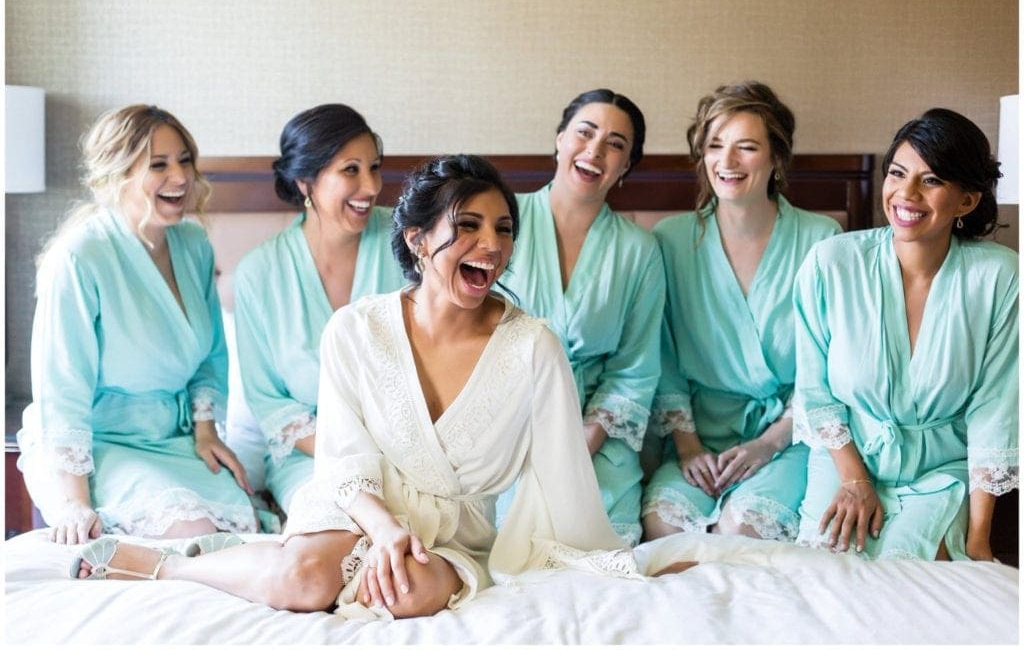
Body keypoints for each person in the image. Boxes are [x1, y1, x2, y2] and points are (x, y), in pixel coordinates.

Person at [68, 154, 647, 619]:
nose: (491, 245)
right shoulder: (356, 331)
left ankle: (277, 560)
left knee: (406, 595)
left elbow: (561, 476)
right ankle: (173, 565)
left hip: (452, 534)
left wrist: (601, 561)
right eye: (467, 226)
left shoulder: (533, 348)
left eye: (503, 229)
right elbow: (342, 464)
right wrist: (385, 528)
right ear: (419, 239)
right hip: (357, 504)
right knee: (304, 580)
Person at [17, 105, 257, 546]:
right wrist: (74, 500)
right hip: (104, 444)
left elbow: (210, 354)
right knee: (190, 531)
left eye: (185, 160)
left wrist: (206, 431)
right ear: (118, 173)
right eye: (159, 165)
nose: (181, 178)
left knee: (239, 528)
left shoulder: (194, 245)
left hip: (177, 439)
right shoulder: (79, 257)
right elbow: (62, 387)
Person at [793, 108, 1018, 560]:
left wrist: (978, 543)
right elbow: (815, 392)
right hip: (847, 460)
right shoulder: (830, 263)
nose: (906, 193)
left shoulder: (1001, 276)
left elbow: (997, 411)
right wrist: (855, 480)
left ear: (967, 201)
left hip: (942, 471)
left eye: (932, 180)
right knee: (823, 582)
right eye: (898, 173)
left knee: (908, 585)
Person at [641, 81, 841, 542]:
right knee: (663, 527)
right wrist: (688, 448)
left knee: (744, 527)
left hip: (787, 435)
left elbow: (827, 367)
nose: (727, 162)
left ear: (776, 159)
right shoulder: (671, 241)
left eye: (746, 147)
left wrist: (768, 443)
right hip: (696, 437)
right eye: (715, 146)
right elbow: (663, 357)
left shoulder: (821, 241)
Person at [496, 89, 665, 546]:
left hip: (595, 440)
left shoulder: (640, 251)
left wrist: (575, 446)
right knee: (511, 546)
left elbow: (636, 366)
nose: (595, 151)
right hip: (502, 430)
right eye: (585, 133)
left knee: (599, 551)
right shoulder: (498, 220)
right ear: (559, 140)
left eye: (615, 144)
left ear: (626, 165)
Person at [232, 104, 405, 517]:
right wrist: (355, 453)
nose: (370, 186)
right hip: (313, 460)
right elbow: (268, 400)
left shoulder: (407, 241)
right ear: (305, 181)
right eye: (350, 170)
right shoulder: (260, 274)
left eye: (374, 168)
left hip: (408, 451)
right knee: (343, 532)